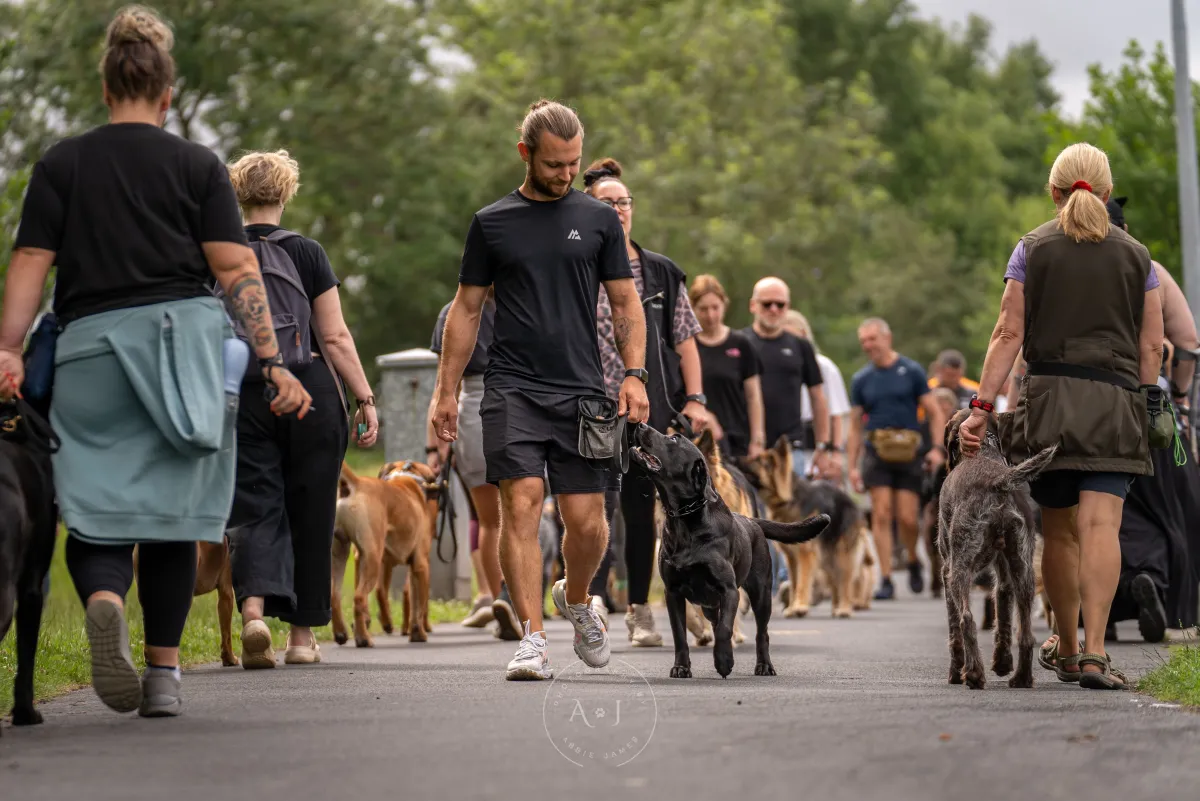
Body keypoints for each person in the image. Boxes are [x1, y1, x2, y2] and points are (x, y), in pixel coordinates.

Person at [0, 5, 310, 717]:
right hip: (185, 355)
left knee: (95, 511)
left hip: (90, 354)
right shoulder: (198, 166)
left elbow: (31, 260)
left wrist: (9, 347)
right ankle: (164, 678)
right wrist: (274, 359)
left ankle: (107, 596)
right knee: (176, 515)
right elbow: (236, 268)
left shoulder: (63, 163)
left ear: (106, 89)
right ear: (166, 95)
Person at [431, 100, 649, 681]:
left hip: (583, 389)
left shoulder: (598, 221)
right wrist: (444, 391)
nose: (566, 174)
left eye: (574, 162)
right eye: (555, 164)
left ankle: (576, 600)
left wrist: (634, 373)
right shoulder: (492, 222)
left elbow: (625, 303)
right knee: (520, 503)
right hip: (512, 388)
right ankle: (532, 637)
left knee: (587, 523)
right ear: (525, 154)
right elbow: (467, 309)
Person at [959, 142, 1164, 690]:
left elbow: (1008, 332)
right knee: (1103, 527)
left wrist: (981, 407)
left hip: (1049, 407)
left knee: (1060, 532)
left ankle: (1068, 649)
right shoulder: (1138, 257)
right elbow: (1152, 348)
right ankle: (1098, 653)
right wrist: (1148, 404)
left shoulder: (1031, 249)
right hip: (1116, 406)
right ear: (1103, 190)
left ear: (1053, 192)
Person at [223, 150, 378, 669]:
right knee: (312, 509)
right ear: (286, 193)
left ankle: (253, 611)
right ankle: (301, 637)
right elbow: (333, 336)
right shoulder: (307, 252)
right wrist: (364, 396)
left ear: (238, 195)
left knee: (255, 502)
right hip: (309, 386)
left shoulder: (220, 252)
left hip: (245, 387)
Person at [585, 157, 708, 647]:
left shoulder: (661, 272)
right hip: (589, 409)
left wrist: (695, 399)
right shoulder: (576, 267)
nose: (617, 211)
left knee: (639, 515)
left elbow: (686, 341)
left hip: (646, 411)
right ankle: (591, 601)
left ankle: (639, 609)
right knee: (591, 508)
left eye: (624, 203)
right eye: (606, 204)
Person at [427, 289, 517, 635]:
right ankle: (509, 601)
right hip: (522, 404)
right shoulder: (523, 301)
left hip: (473, 412)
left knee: (490, 520)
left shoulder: (453, 311)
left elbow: (443, 388)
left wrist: (434, 449)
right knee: (520, 511)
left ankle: (500, 600)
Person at [847, 317, 946, 600]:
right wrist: (852, 466)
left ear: (886, 338)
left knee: (907, 518)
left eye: (872, 339)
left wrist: (937, 448)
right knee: (880, 513)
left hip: (909, 452)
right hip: (877, 452)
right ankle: (886, 578)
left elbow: (935, 411)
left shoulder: (911, 371)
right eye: (863, 341)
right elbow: (855, 426)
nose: (868, 346)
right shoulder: (861, 379)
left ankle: (913, 559)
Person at [742, 277, 831, 478]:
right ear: (753, 305)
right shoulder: (740, 343)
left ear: (787, 307)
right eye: (767, 304)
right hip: (747, 448)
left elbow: (818, 397)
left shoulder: (800, 346)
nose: (774, 309)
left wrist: (823, 445)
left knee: (791, 509)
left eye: (780, 305)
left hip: (790, 449)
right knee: (747, 510)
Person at [690, 274, 766, 461]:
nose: (710, 315)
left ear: (724, 305)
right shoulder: (687, 346)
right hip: (698, 441)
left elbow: (753, 396)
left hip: (737, 441)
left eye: (715, 308)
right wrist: (704, 415)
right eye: (703, 309)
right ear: (692, 309)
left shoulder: (741, 344)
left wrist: (757, 440)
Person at [784, 309, 851, 482]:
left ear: (804, 334)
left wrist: (835, 451)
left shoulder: (824, 366)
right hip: (792, 441)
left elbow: (836, 413)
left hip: (819, 441)